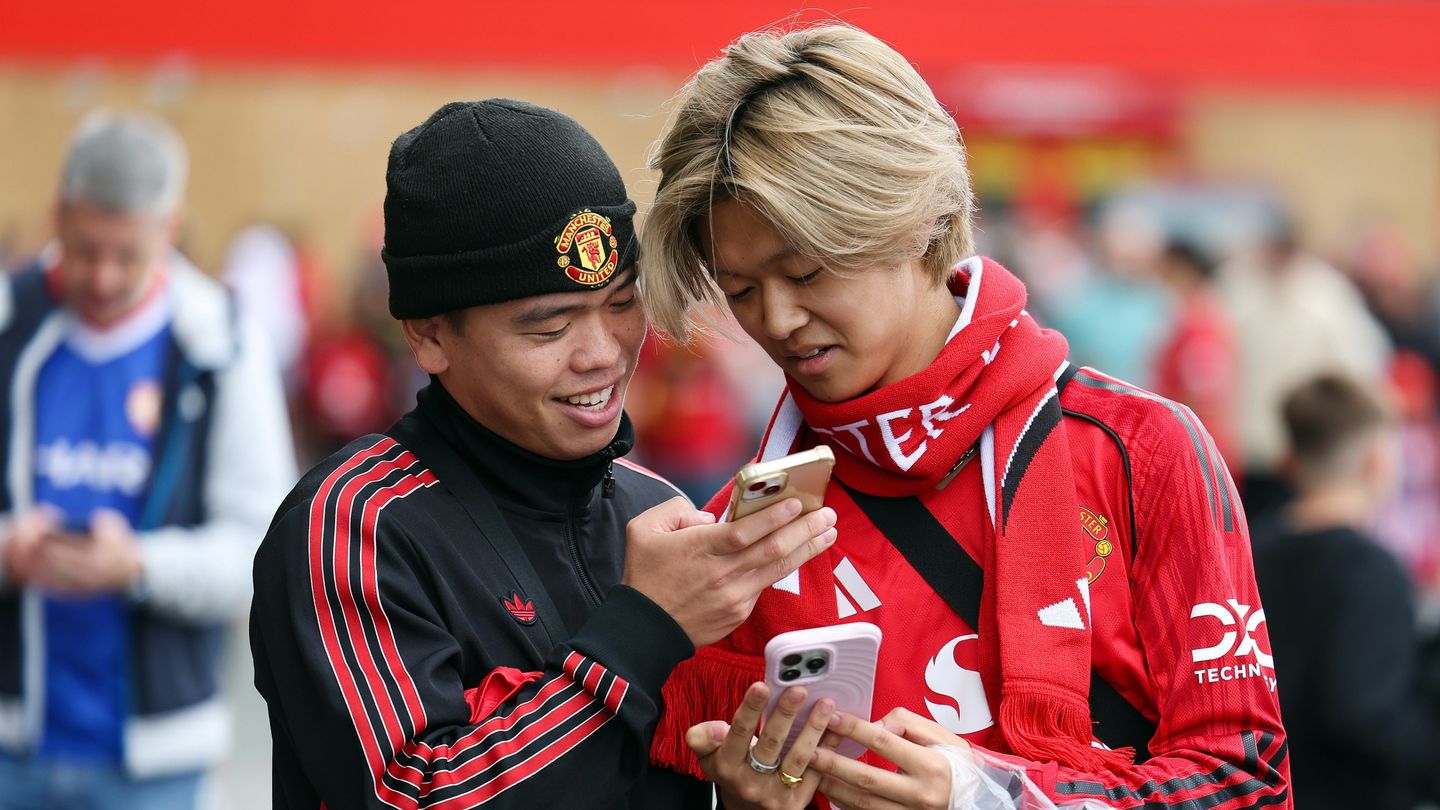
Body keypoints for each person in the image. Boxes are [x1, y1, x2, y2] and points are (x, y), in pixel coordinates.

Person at [639, 25, 1290, 809]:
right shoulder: (744, 534)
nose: (777, 319)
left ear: (917, 221)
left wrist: (989, 795)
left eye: (806, 271)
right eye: (739, 289)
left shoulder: (1139, 452)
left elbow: (1245, 784)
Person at [249, 99, 838, 809]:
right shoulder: (351, 527)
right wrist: (643, 628)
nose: (603, 354)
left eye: (622, 303)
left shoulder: (658, 510)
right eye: (549, 326)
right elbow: (411, 796)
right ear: (430, 336)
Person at [0, 111, 297, 808]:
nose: (102, 277)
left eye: (127, 255)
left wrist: (137, 565)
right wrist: (11, 555)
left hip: (161, 765)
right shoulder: (9, 324)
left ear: (169, 227)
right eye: (83, 249)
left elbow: (264, 551)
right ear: (57, 216)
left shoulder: (220, 343)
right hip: (11, 747)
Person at [1252, 374, 1440, 810]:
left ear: (1289, 459)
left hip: (1267, 789)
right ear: (1376, 460)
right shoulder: (1370, 570)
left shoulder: (1248, 552)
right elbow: (1365, 713)